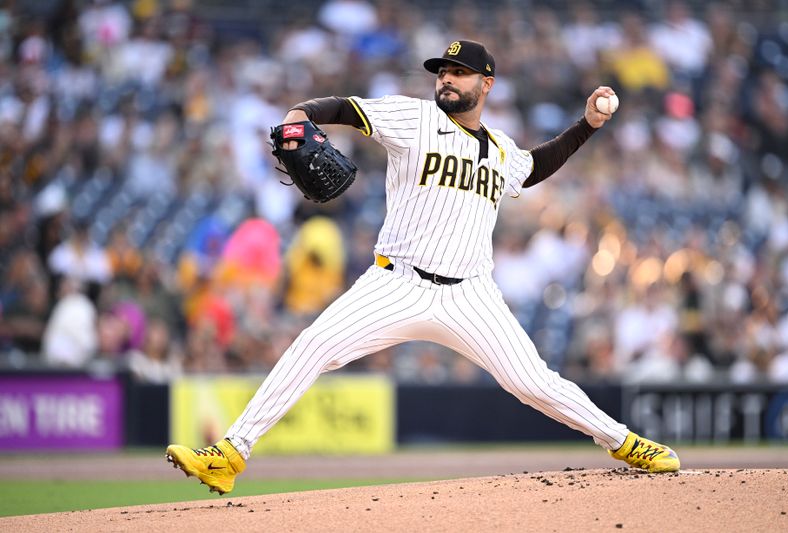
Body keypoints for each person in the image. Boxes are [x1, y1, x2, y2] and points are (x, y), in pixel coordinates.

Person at [166, 40, 680, 494]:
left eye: (458, 73)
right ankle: (231, 453)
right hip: (397, 282)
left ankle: (625, 442)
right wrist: (303, 111)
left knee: (535, 383)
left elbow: (537, 164)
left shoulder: (501, 150)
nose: (447, 80)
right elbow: (346, 108)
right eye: (442, 72)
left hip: (471, 296)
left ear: (486, 84)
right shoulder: (414, 118)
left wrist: (587, 126)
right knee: (313, 345)